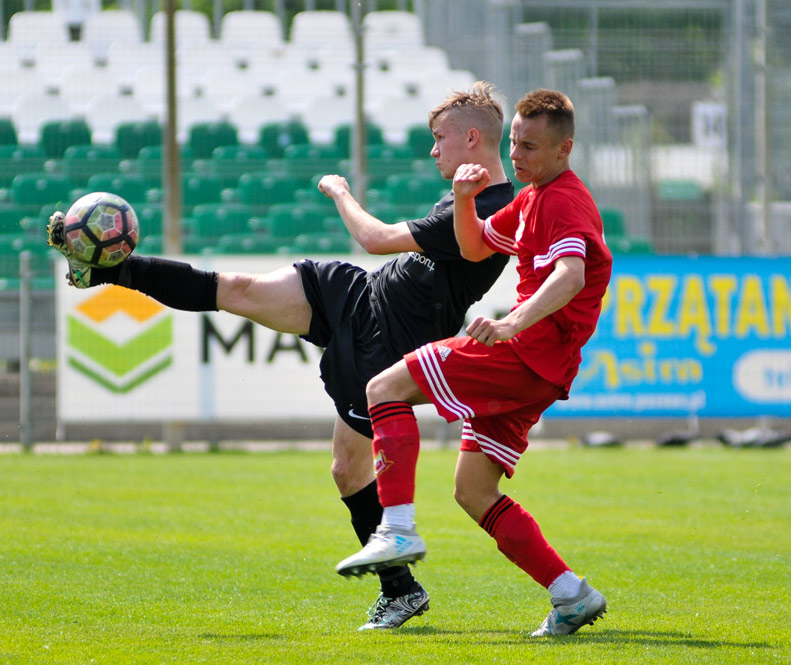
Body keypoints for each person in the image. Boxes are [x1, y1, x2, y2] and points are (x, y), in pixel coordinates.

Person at [46, 81, 515, 631]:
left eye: (440, 139)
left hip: (393, 339)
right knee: (239, 288)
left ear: (473, 137)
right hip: (361, 294)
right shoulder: (467, 192)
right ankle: (109, 271)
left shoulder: (495, 208)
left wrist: (340, 191)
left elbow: (376, 236)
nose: (433, 150)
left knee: (346, 468)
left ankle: (401, 591)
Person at [334, 89, 614, 637]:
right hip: (542, 368)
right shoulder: (532, 196)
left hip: (525, 352)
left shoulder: (564, 200)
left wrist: (511, 323)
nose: (517, 156)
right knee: (473, 491)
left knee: (384, 388)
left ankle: (396, 528)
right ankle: (571, 594)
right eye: (513, 142)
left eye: (530, 146)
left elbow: (570, 276)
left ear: (564, 150)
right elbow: (476, 247)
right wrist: (464, 199)